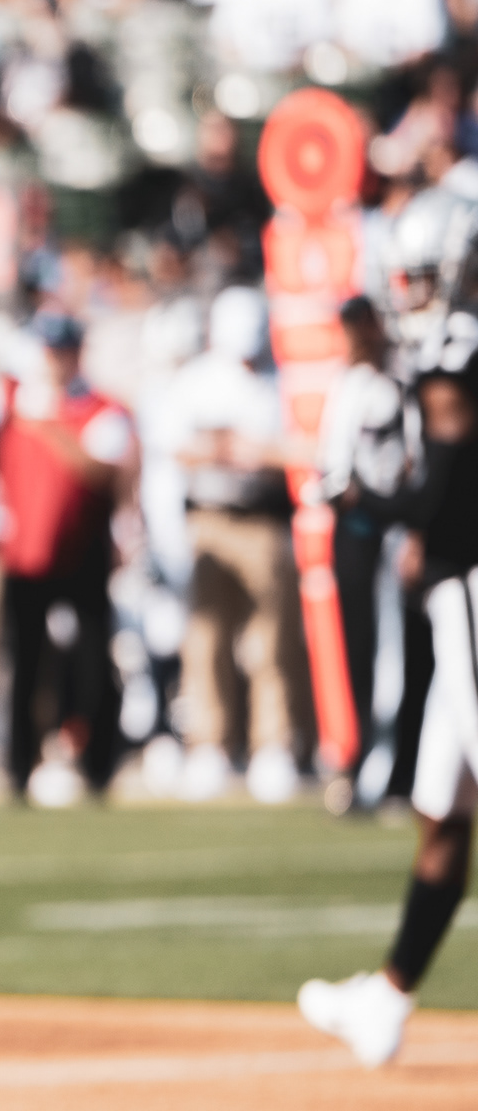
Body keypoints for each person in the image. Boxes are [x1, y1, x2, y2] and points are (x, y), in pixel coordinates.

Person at [302, 185, 478, 1066]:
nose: (409, 293)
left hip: (470, 582)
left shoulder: (456, 347)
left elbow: (440, 493)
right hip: (455, 582)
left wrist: (368, 501)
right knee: (443, 805)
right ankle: (390, 995)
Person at [164, 287, 303, 804]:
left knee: (272, 638)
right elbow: (177, 447)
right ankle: (210, 743)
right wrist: (227, 447)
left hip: (263, 518)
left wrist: (253, 451)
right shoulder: (196, 380)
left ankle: (274, 744)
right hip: (209, 518)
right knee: (207, 638)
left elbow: (296, 449)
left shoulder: (280, 381)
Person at [0, 310, 133, 805]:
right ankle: (18, 768)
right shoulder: (15, 401)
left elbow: (102, 472)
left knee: (93, 661)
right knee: (25, 664)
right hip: (25, 551)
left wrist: (49, 428)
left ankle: (97, 767)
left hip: (82, 548)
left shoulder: (100, 408)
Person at [317, 296, 413, 804]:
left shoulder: (403, 377)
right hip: (357, 528)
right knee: (359, 645)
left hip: (398, 524)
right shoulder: (348, 384)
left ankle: (399, 764)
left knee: (401, 644)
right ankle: (363, 760)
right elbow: (332, 462)